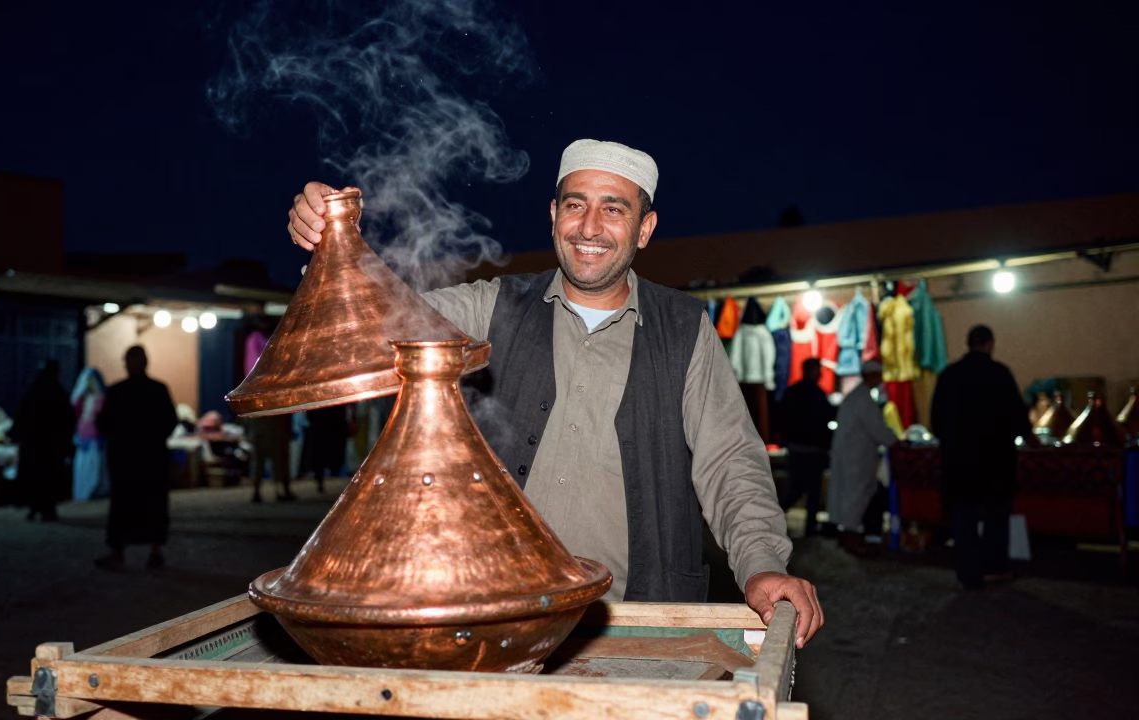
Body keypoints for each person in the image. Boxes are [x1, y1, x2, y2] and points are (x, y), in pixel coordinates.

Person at [288, 139, 823, 648]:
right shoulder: (492, 308)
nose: (589, 226)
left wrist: (763, 564)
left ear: (645, 228)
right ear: (553, 214)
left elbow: (730, 462)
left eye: (614, 209)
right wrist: (332, 246)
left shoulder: (683, 328)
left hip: (639, 625)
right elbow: (371, 325)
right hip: (497, 618)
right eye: (576, 204)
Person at [930, 325, 1032, 589]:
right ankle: (994, 567)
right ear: (989, 344)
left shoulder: (949, 376)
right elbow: (1018, 417)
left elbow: (937, 421)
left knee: (964, 518)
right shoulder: (999, 374)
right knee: (996, 518)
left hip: (960, 464)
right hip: (996, 462)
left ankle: (968, 572)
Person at [95, 346, 178, 570]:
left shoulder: (117, 391)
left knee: (124, 504)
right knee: (153, 504)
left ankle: (118, 551)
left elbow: (102, 423)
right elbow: (170, 421)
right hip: (151, 457)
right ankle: (154, 551)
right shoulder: (158, 389)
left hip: (125, 459)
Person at [827, 361, 900, 554]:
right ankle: (851, 537)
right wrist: (895, 442)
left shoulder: (856, 397)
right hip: (857, 458)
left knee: (851, 495)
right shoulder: (863, 400)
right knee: (855, 496)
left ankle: (849, 535)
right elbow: (877, 428)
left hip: (852, 455)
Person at [777, 358, 836, 536]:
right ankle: (809, 528)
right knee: (810, 491)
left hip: (797, 449)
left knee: (797, 489)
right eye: (818, 371)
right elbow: (825, 421)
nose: (820, 375)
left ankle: (774, 519)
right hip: (812, 450)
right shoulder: (817, 395)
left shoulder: (793, 392)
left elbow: (782, 419)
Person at [13, 361, 76, 521]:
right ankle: (44, 508)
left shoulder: (34, 391)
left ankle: (37, 507)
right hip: (49, 446)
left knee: (37, 477)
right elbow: (67, 419)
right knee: (47, 478)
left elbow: (22, 416)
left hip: (36, 445)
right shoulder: (56, 392)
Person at [71, 368, 109, 500]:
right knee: (83, 471)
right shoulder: (82, 400)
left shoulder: (102, 399)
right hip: (84, 441)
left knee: (96, 472)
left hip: (97, 442)